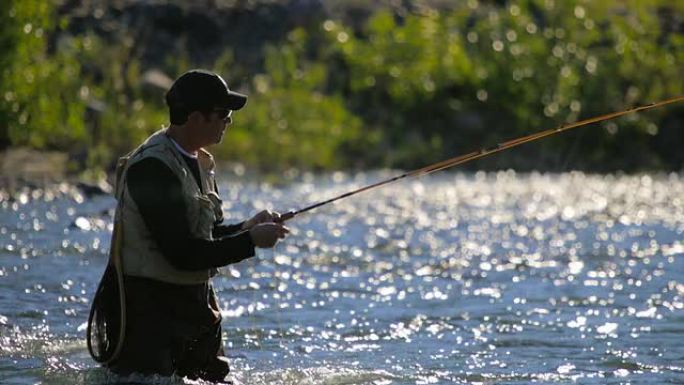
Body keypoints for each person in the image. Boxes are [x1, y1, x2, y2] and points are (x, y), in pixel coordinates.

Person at [103, 69, 289, 382]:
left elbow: (204, 236)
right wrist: (251, 242)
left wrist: (247, 226)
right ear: (195, 118)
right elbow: (182, 253)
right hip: (150, 313)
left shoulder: (200, 162)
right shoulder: (152, 168)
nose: (228, 123)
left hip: (194, 306)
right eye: (223, 115)